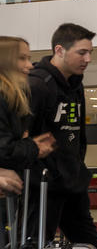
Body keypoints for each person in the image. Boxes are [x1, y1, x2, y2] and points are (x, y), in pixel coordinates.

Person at [26, 23, 97, 249]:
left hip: (72, 182)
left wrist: (77, 168)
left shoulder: (76, 85)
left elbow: (77, 134)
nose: (88, 59)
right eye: (82, 52)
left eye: (90, 52)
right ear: (59, 50)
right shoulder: (37, 84)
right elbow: (23, 137)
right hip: (43, 186)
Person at [0, 36, 54, 176]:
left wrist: (30, 145)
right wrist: (33, 147)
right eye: (22, 58)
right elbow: (4, 151)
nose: (30, 65)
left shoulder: (13, 98)